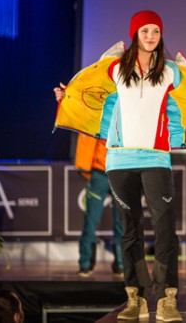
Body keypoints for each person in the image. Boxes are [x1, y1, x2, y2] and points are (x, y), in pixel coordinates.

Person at [57, 10, 186, 322]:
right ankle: (135, 298)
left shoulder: (171, 71)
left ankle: (167, 298)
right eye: (144, 31)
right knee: (130, 230)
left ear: (160, 34)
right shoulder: (115, 68)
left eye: (155, 31)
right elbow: (95, 101)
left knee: (165, 229)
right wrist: (67, 100)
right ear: (135, 34)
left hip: (155, 158)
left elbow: (184, 106)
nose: (150, 36)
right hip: (119, 159)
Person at [52, 86, 124, 278]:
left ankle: (121, 265)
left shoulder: (128, 99)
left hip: (122, 172)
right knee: (91, 221)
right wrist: (65, 96)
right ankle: (85, 265)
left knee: (122, 223)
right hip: (100, 172)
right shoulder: (96, 100)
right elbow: (77, 107)